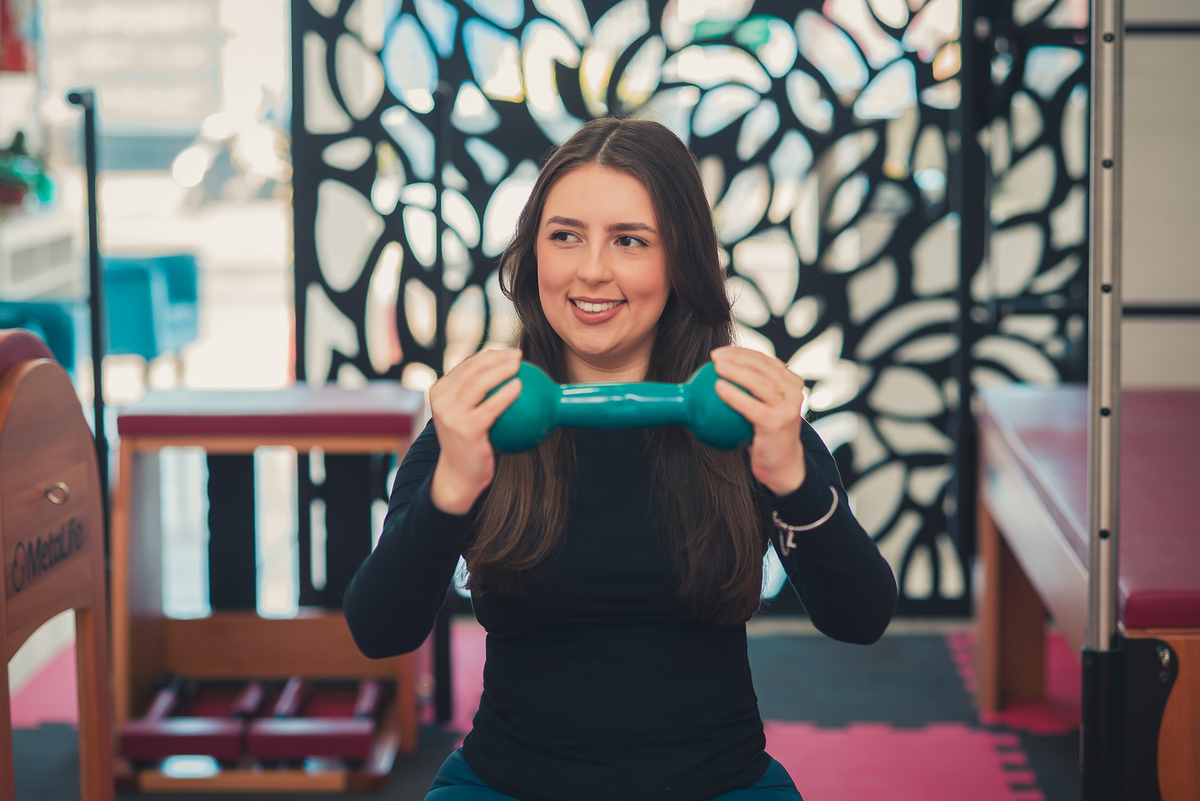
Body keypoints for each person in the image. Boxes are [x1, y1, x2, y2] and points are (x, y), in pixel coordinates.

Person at [343, 117, 898, 801]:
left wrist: (791, 477)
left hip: (719, 785)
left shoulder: (747, 420)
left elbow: (861, 618)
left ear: (680, 262)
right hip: (508, 783)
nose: (592, 269)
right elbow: (379, 631)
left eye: (630, 240)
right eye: (565, 236)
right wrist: (453, 486)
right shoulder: (479, 423)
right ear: (534, 254)